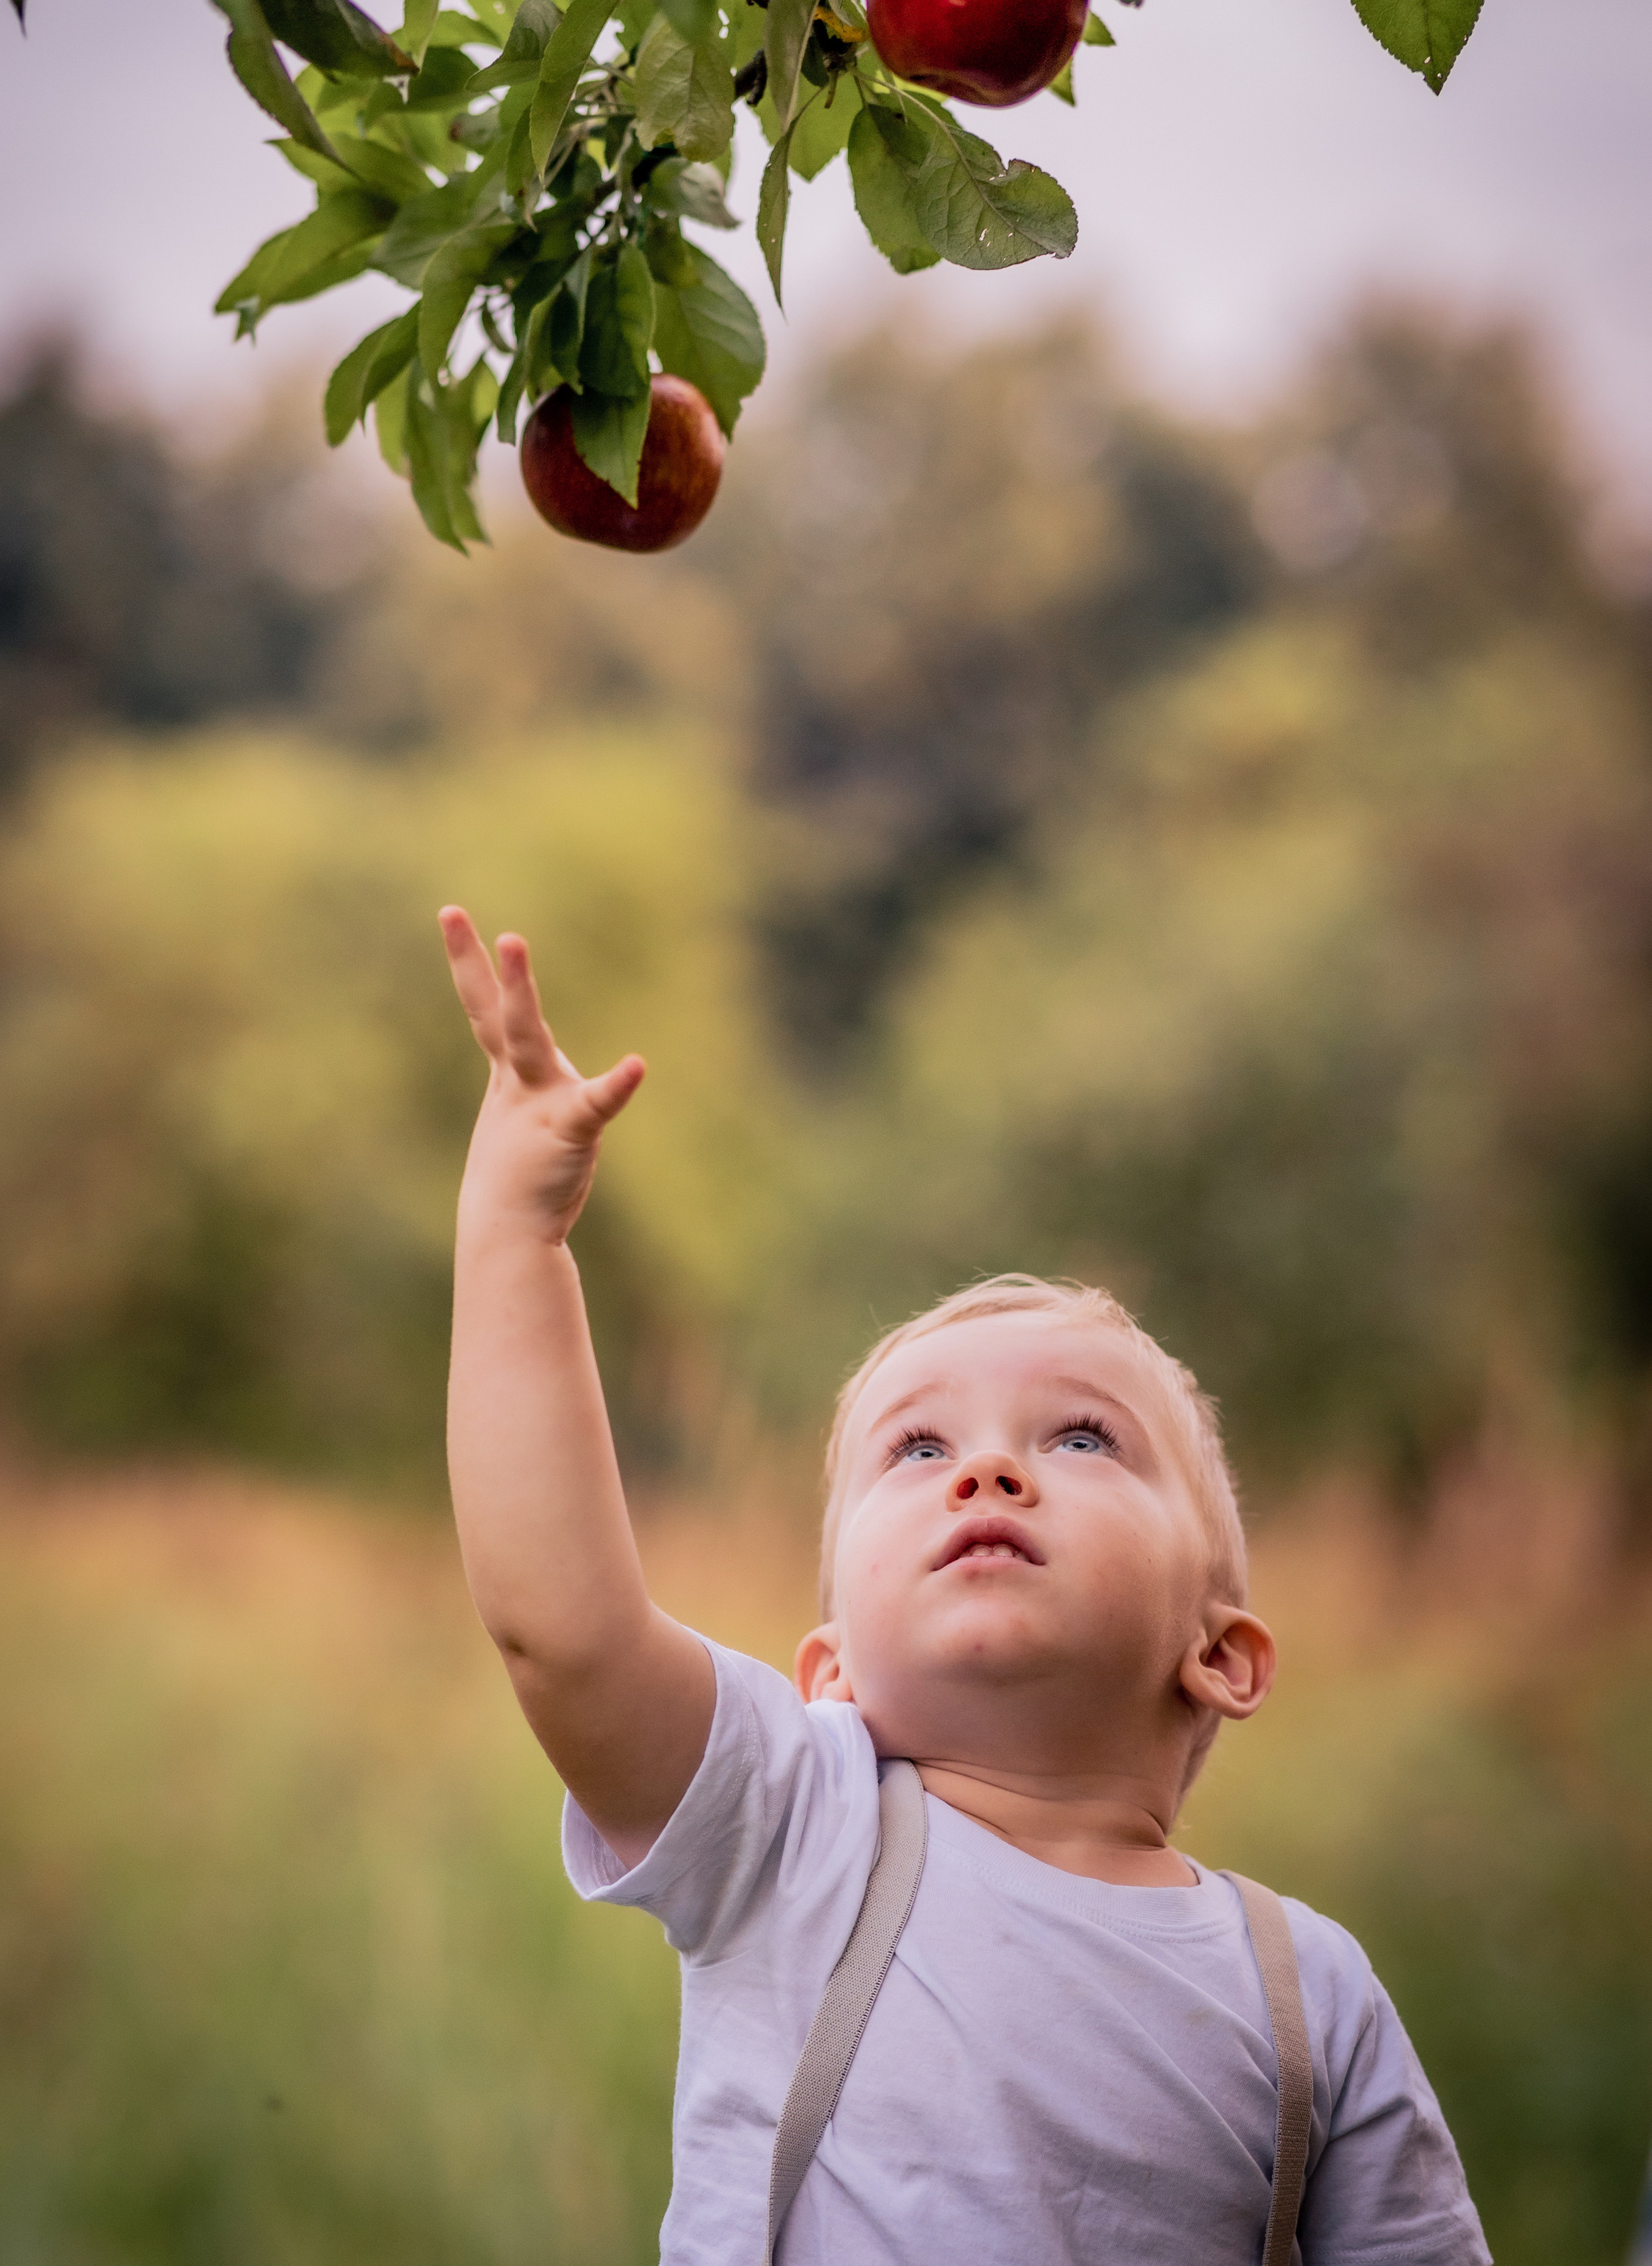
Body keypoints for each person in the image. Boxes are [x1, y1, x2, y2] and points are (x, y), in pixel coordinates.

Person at [438, 909, 1491, 2266]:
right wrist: (515, 1240)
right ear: (831, 1680)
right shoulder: (795, 1824)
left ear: (1218, 1651)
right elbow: (560, 1632)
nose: (986, 1470)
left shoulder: (1311, 1998)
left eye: (1077, 1438)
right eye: (919, 1447)